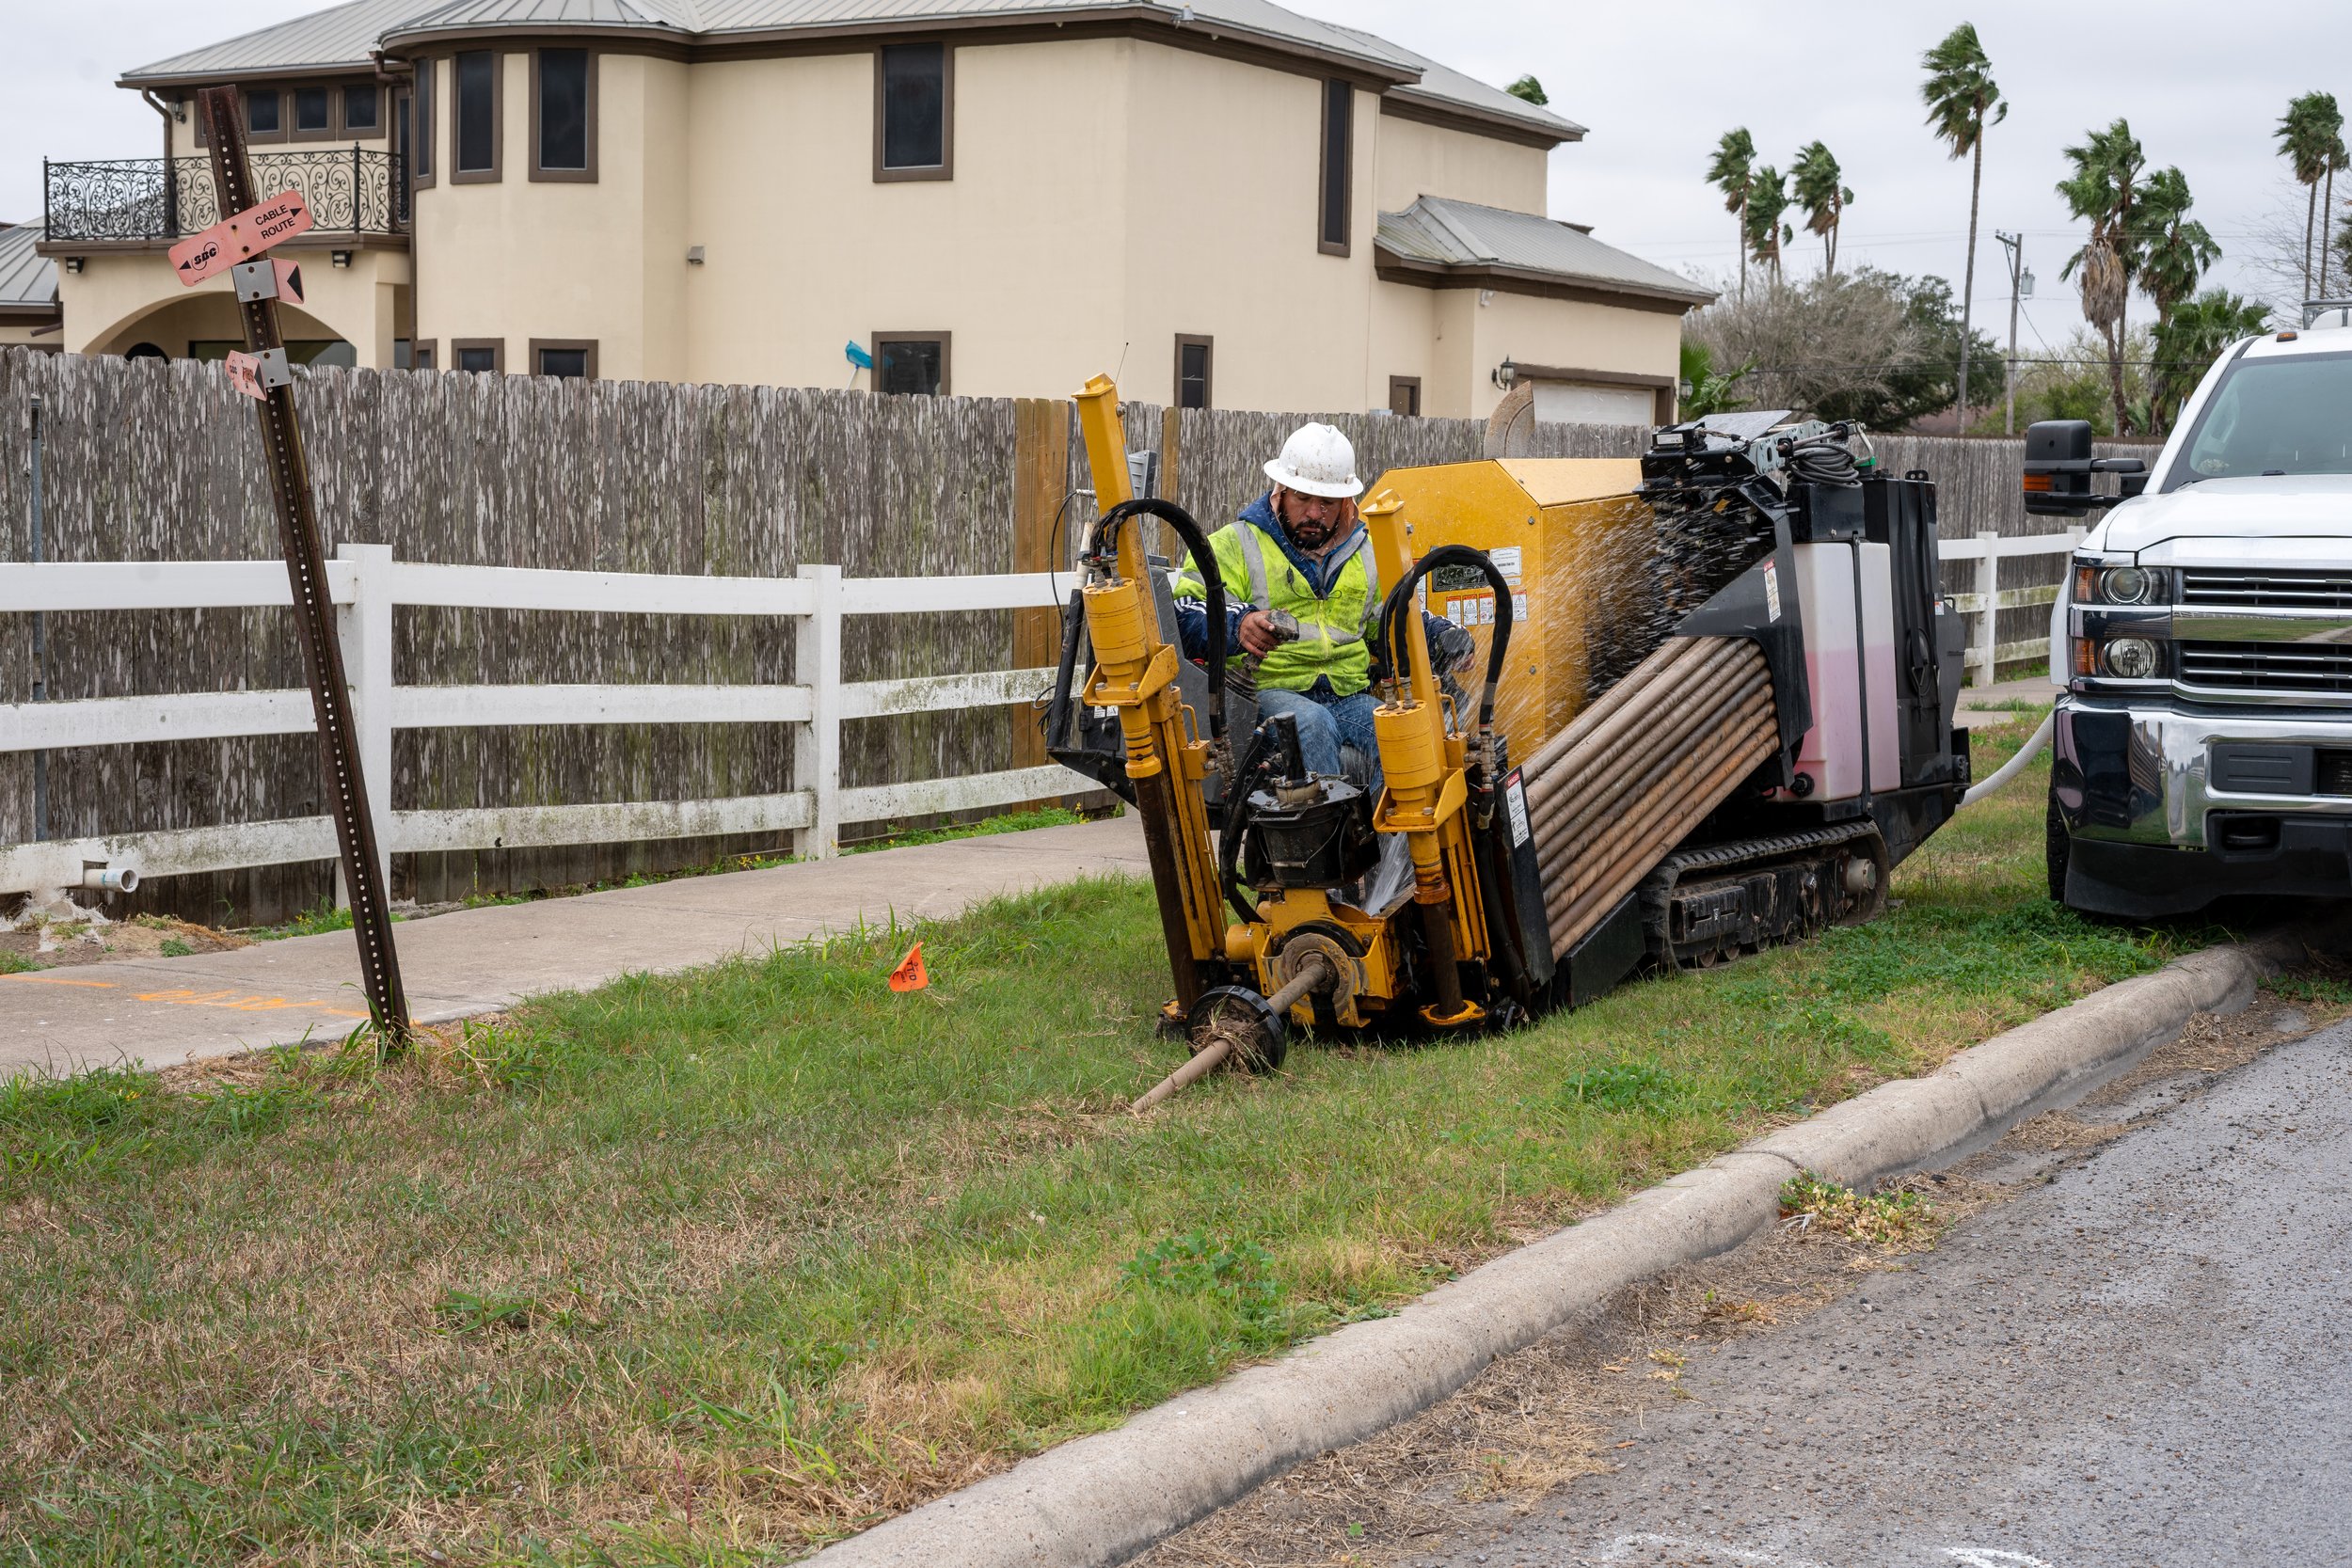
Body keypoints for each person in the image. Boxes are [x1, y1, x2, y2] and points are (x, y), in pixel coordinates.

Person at [1171, 421, 1472, 791]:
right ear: (1279, 491)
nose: (1314, 513)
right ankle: (1320, 846)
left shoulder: (1366, 554)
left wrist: (1441, 636)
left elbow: (1391, 620)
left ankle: (1390, 845)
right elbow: (1186, 612)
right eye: (1302, 498)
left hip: (1347, 695)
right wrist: (1240, 624)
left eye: (1327, 502)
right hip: (1266, 693)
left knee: (1402, 736)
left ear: (1345, 502)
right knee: (1312, 724)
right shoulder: (1234, 544)